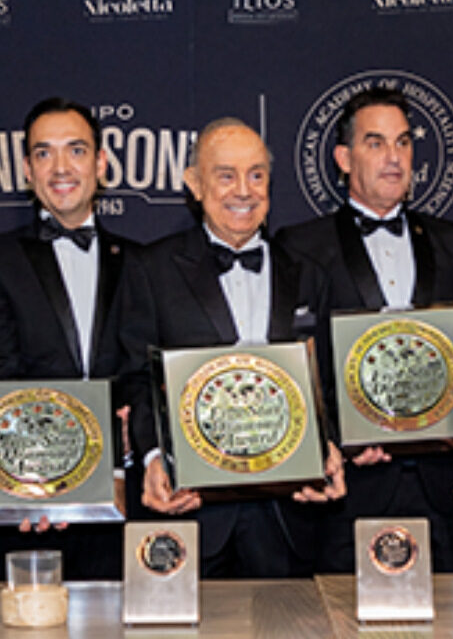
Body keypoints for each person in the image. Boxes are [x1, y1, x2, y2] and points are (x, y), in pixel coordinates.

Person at [119, 117, 345, 578]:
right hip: (193, 512)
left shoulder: (307, 273)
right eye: (226, 175)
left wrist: (329, 446)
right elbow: (135, 377)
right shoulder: (151, 269)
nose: (244, 190)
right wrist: (154, 456)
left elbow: (324, 383)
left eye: (256, 175)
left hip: (288, 516)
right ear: (194, 183)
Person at [276, 87, 453, 573]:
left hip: (444, 489)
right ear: (344, 159)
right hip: (351, 490)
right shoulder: (300, 246)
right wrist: (335, 438)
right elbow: (293, 365)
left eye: (403, 142)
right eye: (376, 143)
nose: (393, 157)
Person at [0, 97, 135, 579]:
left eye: (76, 150)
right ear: (27, 170)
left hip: (124, 504)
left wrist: (132, 448)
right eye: (44, 153)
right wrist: (20, 482)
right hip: (29, 512)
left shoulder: (142, 262)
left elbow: (144, 373)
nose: (60, 167)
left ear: (101, 164)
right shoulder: (3, 260)